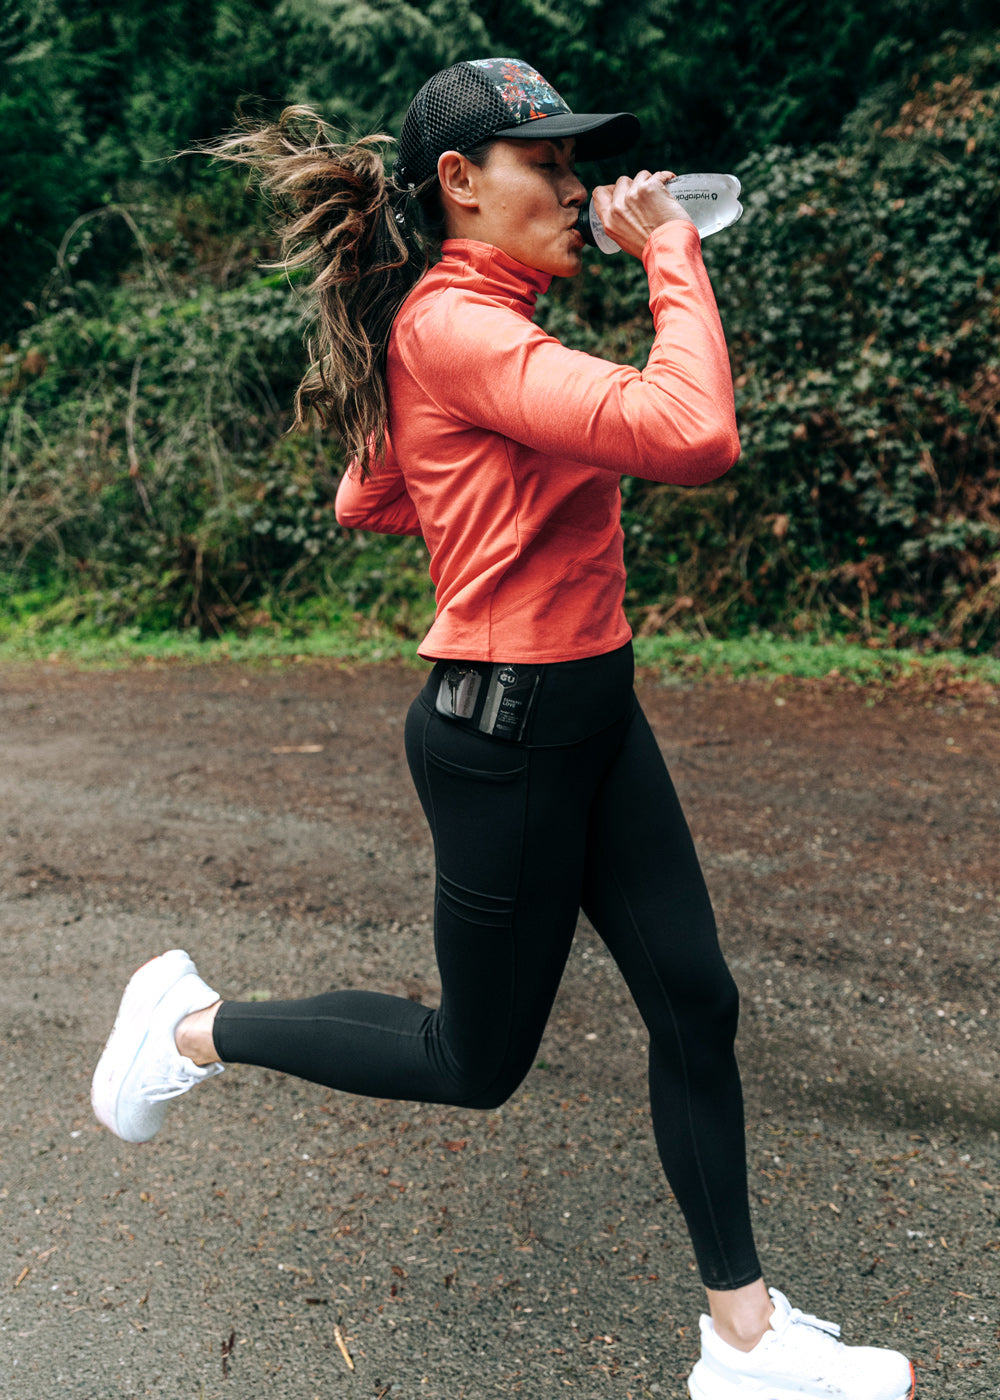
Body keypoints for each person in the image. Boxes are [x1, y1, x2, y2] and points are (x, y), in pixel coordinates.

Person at [91, 57, 915, 1400]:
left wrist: (475, 474)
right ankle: (188, 1025)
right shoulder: (461, 329)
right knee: (472, 1064)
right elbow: (697, 432)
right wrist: (672, 257)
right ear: (462, 184)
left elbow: (374, 499)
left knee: (697, 1002)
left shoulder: (483, 323)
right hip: (510, 736)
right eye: (552, 164)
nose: (583, 187)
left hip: (593, 707)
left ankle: (747, 1341)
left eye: (581, 164)